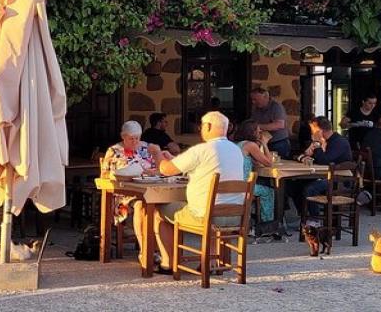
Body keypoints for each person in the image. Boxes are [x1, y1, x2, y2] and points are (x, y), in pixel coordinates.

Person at [152, 111, 245, 274]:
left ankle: (169, 263)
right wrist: (173, 157)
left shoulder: (202, 149)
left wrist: (157, 154)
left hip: (205, 216)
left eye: (202, 126)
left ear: (208, 126)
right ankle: (210, 262)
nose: (200, 129)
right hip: (234, 216)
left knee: (159, 212)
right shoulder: (236, 150)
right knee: (210, 207)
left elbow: (166, 169)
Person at [101, 120, 161, 265]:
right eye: (131, 138)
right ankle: (145, 251)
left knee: (163, 205)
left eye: (137, 138)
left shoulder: (148, 148)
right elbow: (104, 174)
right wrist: (121, 175)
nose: (135, 141)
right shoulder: (114, 151)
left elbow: (160, 169)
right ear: (123, 136)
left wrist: (156, 160)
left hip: (150, 189)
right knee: (142, 206)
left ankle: (162, 251)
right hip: (124, 193)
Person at [289, 116, 353, 217]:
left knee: (310, 189)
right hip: (325, 175)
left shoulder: (339, 142)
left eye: (313, 130)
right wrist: (309, 150)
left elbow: (324, 160)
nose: (311, 133)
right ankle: (304, 215)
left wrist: (317, 144)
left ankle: (315, 219)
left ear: (320, 131)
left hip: (339, 179)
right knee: (294, 184)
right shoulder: (324, 141)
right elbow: (311, 156)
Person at [231, 120, 276, 224]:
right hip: (244, 185)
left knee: (263, 185)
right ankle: (267, 224)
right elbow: (269, 163)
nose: (260, 134)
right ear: (252, 132)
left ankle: (255, 219)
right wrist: (265, 144)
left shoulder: (240, 144)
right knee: (269, 192)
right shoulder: (251, 145)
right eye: (259, 132)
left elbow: (256, 163)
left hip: (235, 183)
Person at [249, 87, 291, 159]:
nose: (253, 102)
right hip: (264, 143)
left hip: (278, 143)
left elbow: (279, 125)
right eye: (252, 99)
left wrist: (258, 126)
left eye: (255, 99)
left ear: (265, 96)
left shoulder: (276, 107)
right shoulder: (256, 108)